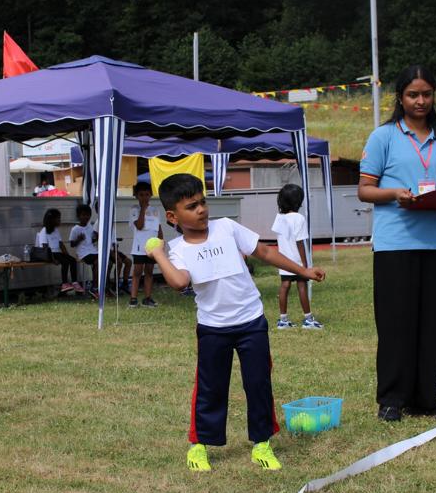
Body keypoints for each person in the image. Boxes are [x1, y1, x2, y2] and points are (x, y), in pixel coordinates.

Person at [148, 174, 325, 472]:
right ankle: (199, 445)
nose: (201, 209)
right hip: (213, 329)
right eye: (192, 206)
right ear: (172, 216)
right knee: (210, 388)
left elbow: (265, 251)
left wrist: (303, 271)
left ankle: (262, 444)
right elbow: (178, 282)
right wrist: (158, 253)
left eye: (203, 202)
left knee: (258, 383)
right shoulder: (177, 249)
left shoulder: (226, 227)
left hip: (251, 322)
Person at [357, 64, 436, 423]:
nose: (420, 101)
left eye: (426, 94)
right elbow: (364, 190)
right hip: (395, 243)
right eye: (413, 94)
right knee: (395, 322)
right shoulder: (383, 137)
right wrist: (395, 193)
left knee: (430, 322)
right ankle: (392, 400)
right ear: (400, 97)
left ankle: (425, 398)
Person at [272, 183, 323, 330]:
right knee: (302, 286)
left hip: (283, 260)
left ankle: (283, 320)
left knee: (284, 286)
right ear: (298, 201)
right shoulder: (299, 218)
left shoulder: (279, 218)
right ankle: (308, 319)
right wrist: (305, 265)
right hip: (297, 261)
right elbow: (300, 242)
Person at [128, 181, 163, 308]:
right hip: (139, 247)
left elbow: (158, 228)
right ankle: (133, 298)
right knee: (137, 272)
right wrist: (143, 209)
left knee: (149, 272)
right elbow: (139, 225)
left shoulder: (155, 210)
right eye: (141, 195)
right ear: (136, 196)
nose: (144, 197)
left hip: (152, 247)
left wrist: (161, 242)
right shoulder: (134, 209)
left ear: (150, 195)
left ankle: (147, 298)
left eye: (147, 194)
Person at [37, 208, 83, 293]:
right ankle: (64, 284)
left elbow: (61, 245)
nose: (60, 220)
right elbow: (45, 248)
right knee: (65, 262)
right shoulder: (44, 231)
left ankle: (75, 282)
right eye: (58, 218)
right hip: (49, 254)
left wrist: (67, 255)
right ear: (52, 220)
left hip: (57, 253)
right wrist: (53, 260)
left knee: (72, 260)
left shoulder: (55, 230)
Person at [69, 204, 102, 299]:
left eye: (88, 215)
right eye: (83, 215)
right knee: (97, 262)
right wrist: (78, 240)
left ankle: (100, 286)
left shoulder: (90, 226)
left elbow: (91, 240)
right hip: (83, 253)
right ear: (78, 216)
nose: (86, 217)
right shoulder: (75, 229)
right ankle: (94, 287)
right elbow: (72, 244)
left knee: (103, 261)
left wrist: (95, 238)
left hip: (93, 251)